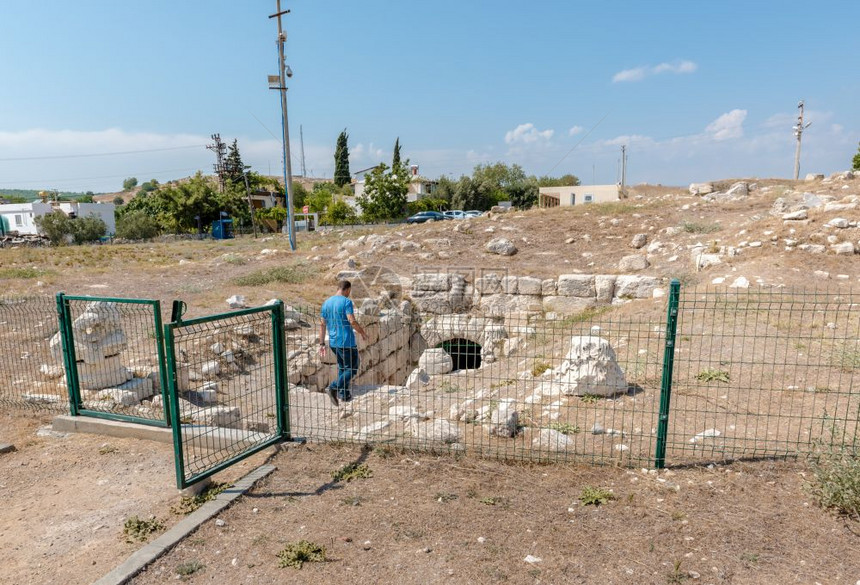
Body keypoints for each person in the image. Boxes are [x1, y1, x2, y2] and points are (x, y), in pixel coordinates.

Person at [319, 280, 367, 405]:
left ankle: (343, 394)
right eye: (349, 292)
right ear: (346, 289)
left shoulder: (326, 303)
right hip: (346, 342)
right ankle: (333, 387)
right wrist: (362, 332)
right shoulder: (346, 302)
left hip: (333, 342)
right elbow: (351, 320)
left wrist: (322, 343)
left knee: (342, 367)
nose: (348, 294)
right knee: (352, 368)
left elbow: (322, 324)